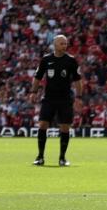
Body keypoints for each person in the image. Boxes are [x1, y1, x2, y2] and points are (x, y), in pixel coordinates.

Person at [30, 34, 83, 167]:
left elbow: (77, 80)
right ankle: (40, 156)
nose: (64, 46)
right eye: (61, 43)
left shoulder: (71, 60)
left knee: (65, 127)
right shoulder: (46, 59)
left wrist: (79, 97)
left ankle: (62, 158)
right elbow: (38, 77)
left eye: (65, 43)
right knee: (42, 125)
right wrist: (33, 92)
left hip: (65, 99)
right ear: (55, 44)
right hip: (48, 98)